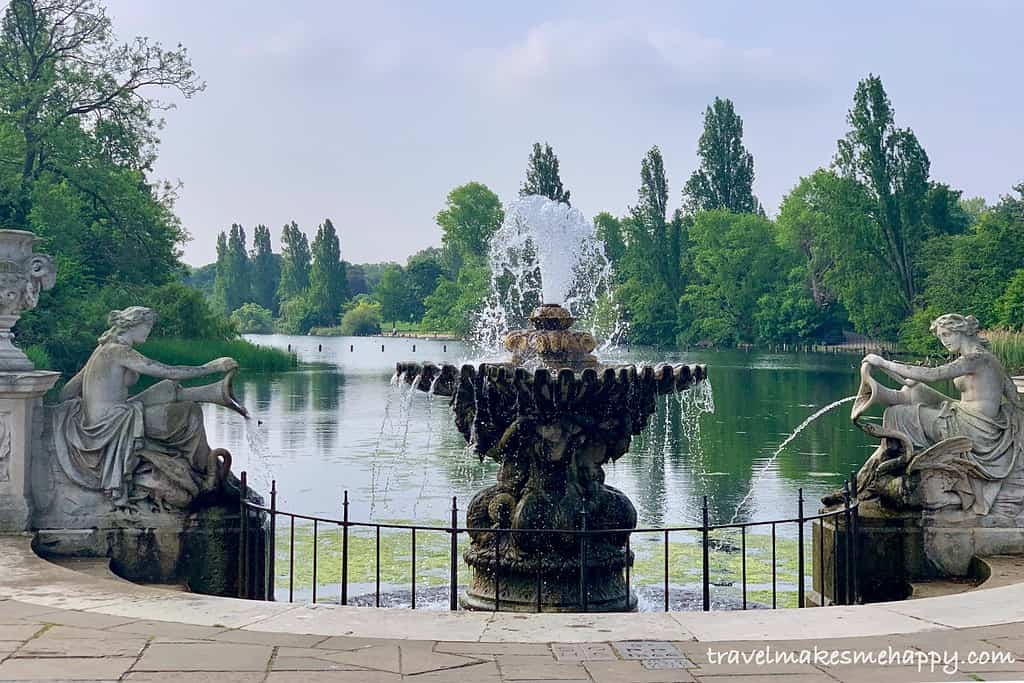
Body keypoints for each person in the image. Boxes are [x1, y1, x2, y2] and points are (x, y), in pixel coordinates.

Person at [54, 307, 239, 509]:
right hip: (113, 424)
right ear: (134, 325)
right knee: (189, 413)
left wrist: (90, 405)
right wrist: (213, 367)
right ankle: (205, 469)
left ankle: (215, 396)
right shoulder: (120, 352)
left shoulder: (101, 350)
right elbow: (168, 371)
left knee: (166, 387)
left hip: (105, 417)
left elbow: (67, 392)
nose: (148, 332)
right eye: (147, 326)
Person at [851, 314, 1023, 516]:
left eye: (948, 334)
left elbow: (935, 374)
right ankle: (885, 397)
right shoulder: (988, 359)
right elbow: (1013, 396)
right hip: (970, 417)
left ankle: (884, 472)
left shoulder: (977, 359)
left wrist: (884, 363)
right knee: (916, 390)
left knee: (897, 415)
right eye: (941, 336)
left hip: (975, 428)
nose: (945, 341)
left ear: (962, 331)